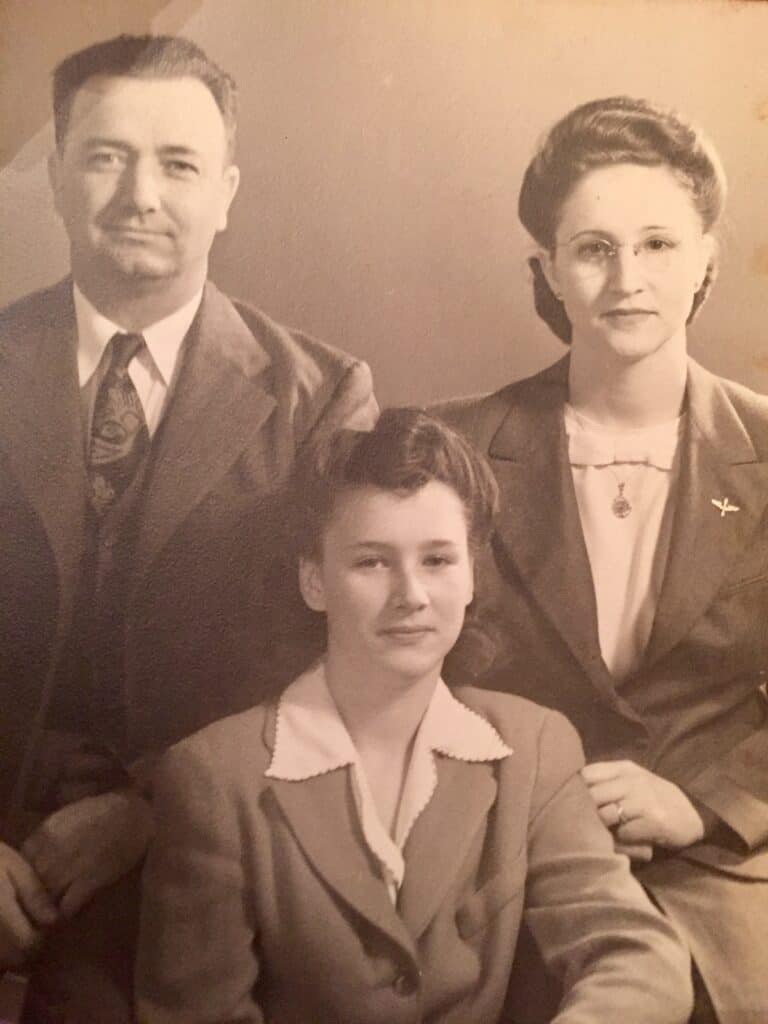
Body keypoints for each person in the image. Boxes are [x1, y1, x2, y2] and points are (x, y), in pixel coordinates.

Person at [0, 33, 376, 1022]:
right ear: (55, 179)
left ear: (229, 190)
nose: (140, 196)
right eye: (106, 156)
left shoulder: (323, 397)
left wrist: (150, 810)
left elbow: (346, 666)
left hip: (193, 846)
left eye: (178, 164)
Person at [135, 407, 693, 1024]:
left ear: (472, 577)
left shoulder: (532, 748)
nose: (412, 595)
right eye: (372, 562)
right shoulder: (215, 776)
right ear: (314, 582)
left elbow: (636, 953)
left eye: (438, 561)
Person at [435, 96, 768, 1024]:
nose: (629, 278)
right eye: (593, 249)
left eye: (659, 245)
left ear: (706, 256)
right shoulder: (455, 447)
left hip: (718, 874)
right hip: (498, 868)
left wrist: (703, 805)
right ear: (547, 270)